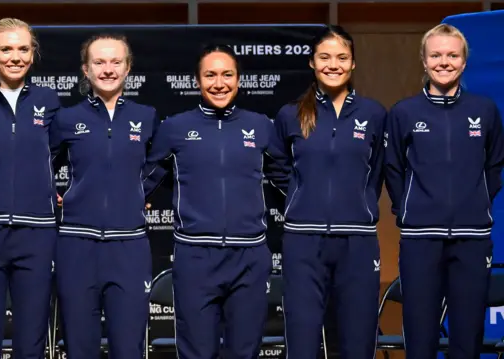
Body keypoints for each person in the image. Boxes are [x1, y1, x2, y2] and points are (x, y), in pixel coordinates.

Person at [141, 44, 289, 359]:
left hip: (249, 256)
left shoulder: (262, 126)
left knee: (244, 351)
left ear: (238, 80)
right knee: (196, 352)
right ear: (197, 81)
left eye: (227, 75)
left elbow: (290, 184)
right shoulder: (175, 128)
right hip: (195, 257)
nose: (218, 83)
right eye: (210, 75)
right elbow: (143, 181)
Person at [385, 23, 504, 359]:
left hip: (472, 237)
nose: (444, 61)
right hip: (420, 238)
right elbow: (393, 168)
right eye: (435, 54)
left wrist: (476, 203)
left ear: (464, 61)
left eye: (452, 55)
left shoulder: (484, 111)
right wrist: (408, 210)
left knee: (467, 338)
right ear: (423, 61)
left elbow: (495, 167)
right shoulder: (404, 113)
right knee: (420, 338)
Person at [273, 25, 386, 359]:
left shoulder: (374, 114)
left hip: (358, 241)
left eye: (341, 57)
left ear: (352, 64)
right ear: (312, 62)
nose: (333, 64)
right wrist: (302, 195)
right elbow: (279, 168)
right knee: (303, 342)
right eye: (324, 57)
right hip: (303, 241)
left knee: (357, 342)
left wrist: (359, 203)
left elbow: (378, 169)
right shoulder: (289, 115)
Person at [50, 34, 158, 359]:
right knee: (80, 348)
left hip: (130, 248)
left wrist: (139, 191)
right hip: (77, 247)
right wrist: (53, 193)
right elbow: (38, 165)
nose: (107, 69)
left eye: (115, 62)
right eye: (99, 62)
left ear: (128, 68)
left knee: (128, 349)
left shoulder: (147, 116)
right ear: (86, 69)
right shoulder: (66, 118)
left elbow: (164, 165)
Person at [0, 18, 60, 359]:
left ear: (32, 55)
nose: (14, 57)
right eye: (6, 49)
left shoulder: (50, 102)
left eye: (22, 49)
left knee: (31, 342)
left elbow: (72, 156)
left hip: (37, 233)